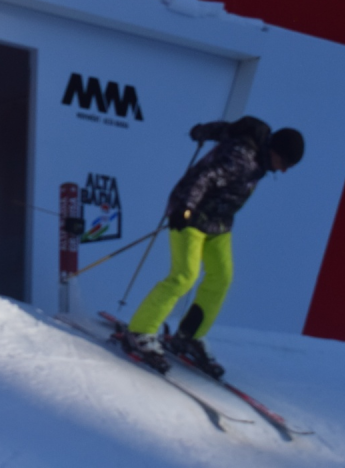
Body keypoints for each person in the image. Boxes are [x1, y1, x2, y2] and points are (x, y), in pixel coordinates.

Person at [123, 116, 304, 377]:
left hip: (218, 222)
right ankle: (140, 330)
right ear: (275, 150)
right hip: (190, 214)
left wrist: (202, 131)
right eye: (284, 163)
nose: (283, 170)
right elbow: (204, 177)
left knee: (221, 278)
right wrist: (184, 208)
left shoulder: (257, 149)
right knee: (184, 276)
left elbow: (226, 131)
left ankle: (189, 335)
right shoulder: (241, 157)